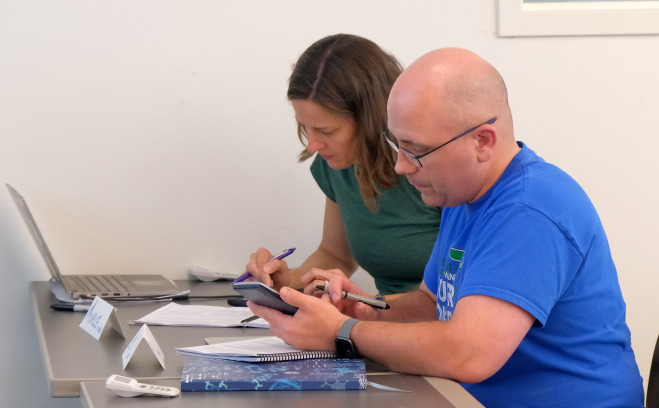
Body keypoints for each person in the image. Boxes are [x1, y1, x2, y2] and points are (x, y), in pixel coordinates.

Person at [247, 48, 645, 408]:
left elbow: (468, 353)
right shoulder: (462, 194)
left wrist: (342, 330)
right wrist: (366, 309)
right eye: (397, 145)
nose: (402, 166)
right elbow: (431, 305)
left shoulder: (531, 209)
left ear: (482, 142)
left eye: (416, 151)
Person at [245, 34, 442, 295]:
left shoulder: (437, 169)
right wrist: (286, 280)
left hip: (436, 322)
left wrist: (370, 312)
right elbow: (335, 254)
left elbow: (465, 291)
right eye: (306, 127)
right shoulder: (336, 165)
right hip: (383, 320)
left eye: (325, 131)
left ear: (371, 119)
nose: (312, 145)